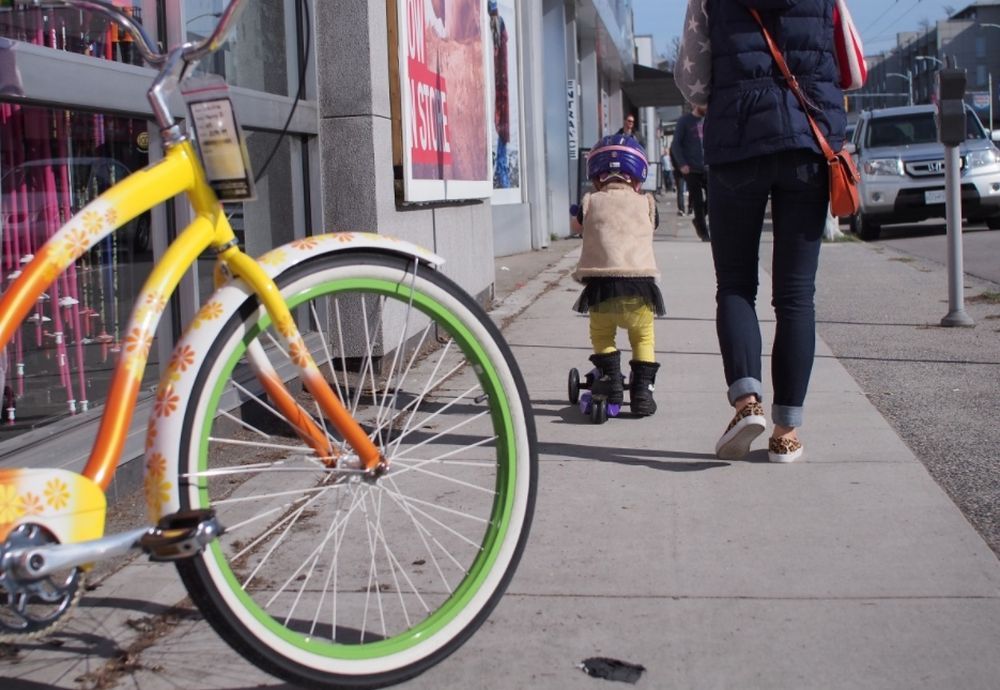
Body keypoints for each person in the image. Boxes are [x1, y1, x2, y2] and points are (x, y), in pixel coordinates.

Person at [675, 0, 852, 463]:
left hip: (736, 147)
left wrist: (713, 99)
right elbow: (853, 65)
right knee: (796, 296)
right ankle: (786, 432)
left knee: (735, 284)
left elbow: (691, 77)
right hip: (807, 146)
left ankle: (746, 402)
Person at [570, 134, 665, 417]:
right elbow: (653, 227)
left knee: (602, 335)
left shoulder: (589, 202)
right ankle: (642, 394)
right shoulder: (648, 204)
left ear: (596, 177)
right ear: (638, 178)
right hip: (640, 290)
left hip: (603, 289)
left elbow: (577, 227)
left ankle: (611, 381)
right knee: (643, 339)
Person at [671, 105, 709, 241]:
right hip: (691, 169)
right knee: (697, 201)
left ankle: (698, 220)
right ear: (695, 104)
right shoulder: (685, 121)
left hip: (707, 167)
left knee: (713, 198)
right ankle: (703, 232)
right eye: (703, 104)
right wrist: (682, 164)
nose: (706, 107)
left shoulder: (708, 120)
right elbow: (675, 144)